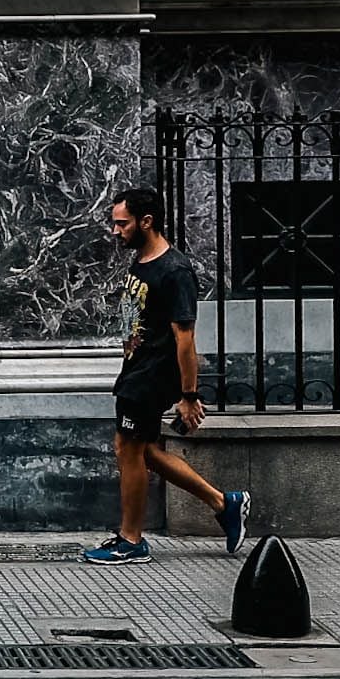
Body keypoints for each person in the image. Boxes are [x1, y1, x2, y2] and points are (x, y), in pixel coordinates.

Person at [85, 188, 249, 564]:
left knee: (127, 449)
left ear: (147, 221)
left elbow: (185, 337)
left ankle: (131, 540)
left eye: (122, 223)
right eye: (114, 222)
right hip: (137, 370)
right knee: (146, 451)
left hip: (151, 376)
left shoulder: (174, 271)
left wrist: (188, 395)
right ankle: (225, 503)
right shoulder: (143, 260)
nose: (115, 230)